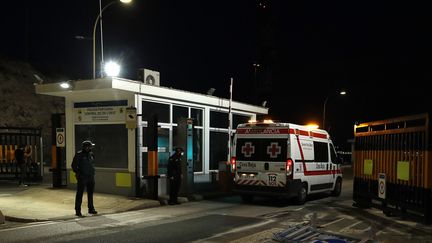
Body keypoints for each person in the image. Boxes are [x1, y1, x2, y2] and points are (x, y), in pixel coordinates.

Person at [71, 140, 98, 217]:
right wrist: (79, 174)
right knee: (80, 194)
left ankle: (91, 209)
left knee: (90, 194)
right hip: (82, 178)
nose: (91, 148)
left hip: (90, 177)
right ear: (86, 147)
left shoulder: (91, 154)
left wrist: (93, 173)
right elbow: (73, 166)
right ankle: (78, 210)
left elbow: (92, 164)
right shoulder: (79, 155)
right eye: (90, 146)